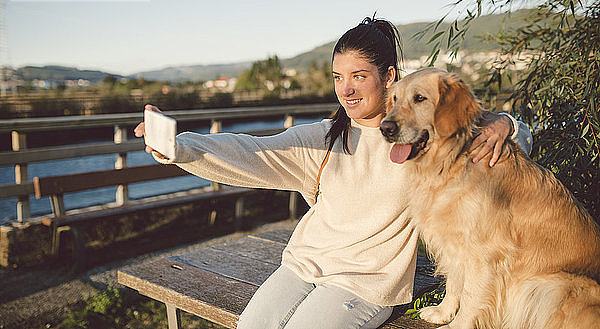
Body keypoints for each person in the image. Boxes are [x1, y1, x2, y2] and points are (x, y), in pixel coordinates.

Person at [134, 17, 532, 329]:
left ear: (389, 77)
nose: (346, 90)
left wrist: (507, 124)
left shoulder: (426, 139)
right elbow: (253, 152)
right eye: (338, 78)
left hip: (368, 283)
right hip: (303, 265)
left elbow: (511, 150)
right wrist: (179, 147)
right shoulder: (324, 139)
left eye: (359, 76)